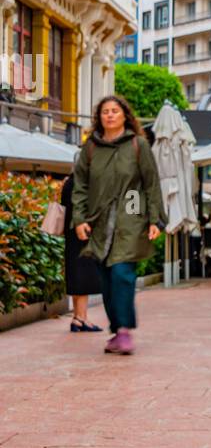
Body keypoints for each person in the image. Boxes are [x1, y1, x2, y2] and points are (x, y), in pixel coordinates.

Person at [71, 95, 165, 355]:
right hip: (98, 223)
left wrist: (155, 219)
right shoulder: (90, 148)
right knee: (107, 280)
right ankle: (116, 329)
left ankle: (124, 331)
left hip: (130, 219)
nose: (110, 115)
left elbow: (151, 184)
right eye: (105, 112)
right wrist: (79, 218)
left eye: (115, 111)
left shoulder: (138, 145)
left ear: (125, 115)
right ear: (99, 118)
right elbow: (80, 186)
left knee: (122, 274)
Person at [59, 174, 103, 331]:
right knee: (84, 274)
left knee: (75, 274)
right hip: (83, 234)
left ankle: (77, 318)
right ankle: (81, 318)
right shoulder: (83, 184)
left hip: (71, 235)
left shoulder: (68, 183)